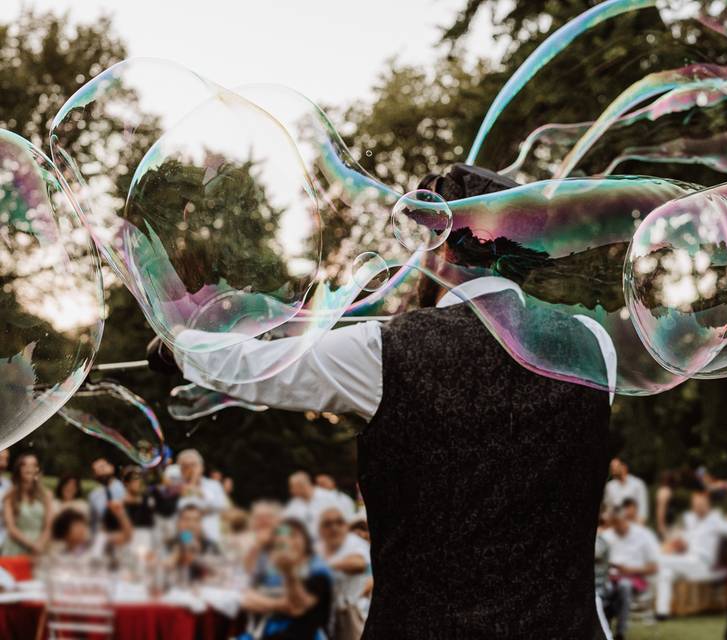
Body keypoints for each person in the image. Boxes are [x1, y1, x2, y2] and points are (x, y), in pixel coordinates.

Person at [168, 163, 617, 638]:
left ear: (442, 245)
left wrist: (179, 344)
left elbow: (250, 367)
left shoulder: (386, 351)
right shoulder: (593, 346)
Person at [241, 518, 333, 640]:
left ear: (305, 540)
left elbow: (298, 608)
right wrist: (278, 604)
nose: (287, 540)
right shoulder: (272, 566)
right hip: (266, 630)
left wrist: (288, 572)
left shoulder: (318, 569)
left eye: (293, 535)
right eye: (282, 535)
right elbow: (245, 598)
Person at [655, 490, 727, 617]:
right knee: (666, 572)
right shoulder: (690, 519)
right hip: (688, 563)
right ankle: (662, 612)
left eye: (700, 504)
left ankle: (648, 561)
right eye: (695, 504)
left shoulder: (715, 519)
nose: (697, 507)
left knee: (659, 560)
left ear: (708, 505)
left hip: (704, 564)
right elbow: (684, 540)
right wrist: (680, 543)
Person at [600, 506, 658, 640]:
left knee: (624, 586)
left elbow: (654, 567)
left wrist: (629, 570)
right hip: (610, 578)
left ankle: (620, 632)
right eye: (614, 524)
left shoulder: (642, 535)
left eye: (619, 523)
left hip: (634, 579)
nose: (617, 527)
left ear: (626, 519)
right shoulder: (606, 536)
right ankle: (604, 629)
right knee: (605, 590)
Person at [318, 507, 371, 640]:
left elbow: (359, 564)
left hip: (347, 613)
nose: (334, 527)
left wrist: (323, 566)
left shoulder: (355, 543)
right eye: (328, 524)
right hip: (320, 615)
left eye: (339, 522)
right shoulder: (317, 547)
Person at [1, 453, 53, 556]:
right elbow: (11, 527)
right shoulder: (10, 495)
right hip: (15, 547)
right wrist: (32, 545)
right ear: (19, 469)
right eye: (24, 465)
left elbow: (49, 525)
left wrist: (40, 544)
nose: (29, 468)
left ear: (37, 469)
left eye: (33, 465)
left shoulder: (46, 495)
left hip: (41, 546)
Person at [176, 449, 228, 544]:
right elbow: (181, 509)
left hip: (211, 537)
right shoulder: (176, 487)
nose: (190, 469)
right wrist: (192, 483)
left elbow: (222, 505)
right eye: (185, 466)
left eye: (193, 465)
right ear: (180, 469)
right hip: (186, 539)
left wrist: (201, 493)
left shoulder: (213, 485)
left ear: (201, 467)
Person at [167, 504, 220, 583]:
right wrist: (179, 552)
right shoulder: (169, 545)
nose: (191, 525)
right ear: (178, 523)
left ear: (201, 524)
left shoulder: (210, 545)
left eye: (196, 520)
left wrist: (198, 557)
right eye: (186, 519)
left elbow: (220, 571)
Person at [604, 458, 649, 523]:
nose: (612, 469)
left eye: (615, 466)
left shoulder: (638, 484)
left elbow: (642, 511)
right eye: (611, 467)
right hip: (614, 525)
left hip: (633, 524)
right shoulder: (609, 486)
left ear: (624, 467)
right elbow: (608, 509)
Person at [87, 457, 125, 535]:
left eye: (102, 467)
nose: (100, 471)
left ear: (112, 468)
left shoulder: (125, 489)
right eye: (96, 470)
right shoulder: (93, 496)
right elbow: (93, 523)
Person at [655, 470, 684, 538]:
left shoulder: (667, 491)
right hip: (667, 528)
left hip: (671, 526)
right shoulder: (665, 491)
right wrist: (662, 529)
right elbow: (660, 512)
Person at [0, 449, 10, 549]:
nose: (3, 464)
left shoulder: (9, 486)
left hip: (4, 540)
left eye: (5, 459)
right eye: (0, 459)